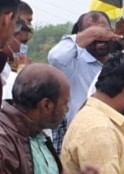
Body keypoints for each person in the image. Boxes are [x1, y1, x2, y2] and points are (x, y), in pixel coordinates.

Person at [48, 10, 118, 152]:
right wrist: (90, 34)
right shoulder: (72, 62)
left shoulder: (119, 64)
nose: (99, 37)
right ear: (81, 34)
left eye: (103, 31)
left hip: (114, 141)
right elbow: (55, 57)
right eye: (92, 33)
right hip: (80, 143)